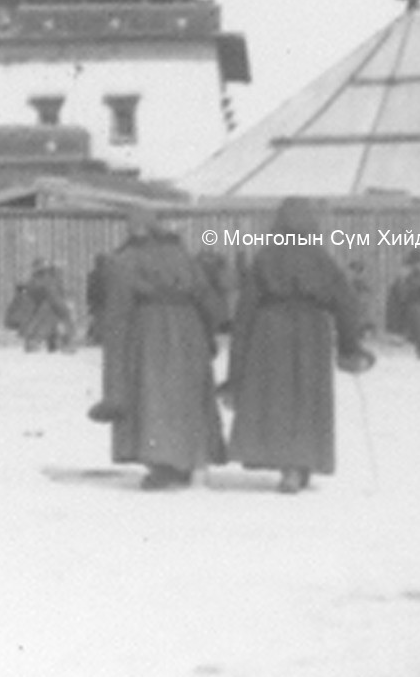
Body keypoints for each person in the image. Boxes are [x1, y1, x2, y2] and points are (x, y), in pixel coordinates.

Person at [226, 198, 376, 493]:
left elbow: (245, 310)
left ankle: (287, 465)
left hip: (270, 333)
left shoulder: (265, 258)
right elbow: (346, 304)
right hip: (312, 332)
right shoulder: (322, 259)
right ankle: (300, 463)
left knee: (277, 398)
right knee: (307, 399)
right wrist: (349, 346)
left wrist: (238, 362)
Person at [92, 210, 227, 491]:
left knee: (155, 397)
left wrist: (114, 348)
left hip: (148, 333)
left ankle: (164, 465)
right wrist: (209, 335)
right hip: (189, 331)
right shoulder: (183, 256)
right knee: (188, 397)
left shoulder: (124, 261)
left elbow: (118, 313)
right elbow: (207, 299)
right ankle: (194, 460)